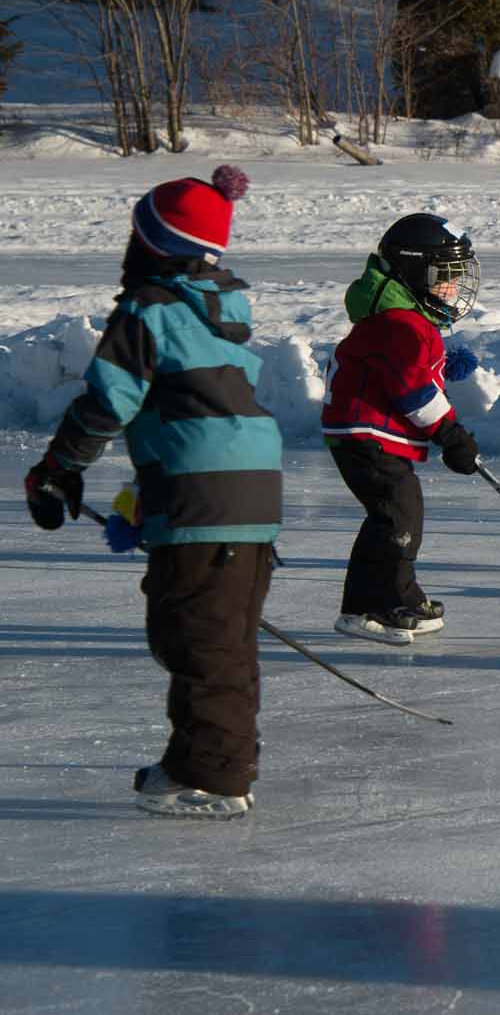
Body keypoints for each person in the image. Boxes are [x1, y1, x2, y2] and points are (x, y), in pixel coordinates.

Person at [22, 167, 282, 819]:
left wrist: (59, 468)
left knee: (199, 639)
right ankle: (219, 754)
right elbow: (183, 420)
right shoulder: (218, 314)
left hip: (207, 498)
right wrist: (140, 505)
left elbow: (111, 400)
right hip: (247, 496)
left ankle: (213, 772)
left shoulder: (149, 309)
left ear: (154, 246)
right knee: (217, 635)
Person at [320, 213, 483, 645]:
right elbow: (413, 391)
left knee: (390, 514)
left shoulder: (400, 321)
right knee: (398, 516)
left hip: (360, 434)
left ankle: (370, 604)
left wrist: (440, 363)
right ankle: (388, 601)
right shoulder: (405, 326)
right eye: (443, 277)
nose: (452, 288)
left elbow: (400, 368)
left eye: (455, 277)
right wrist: (451, 435)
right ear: (413, 271)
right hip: (367, 434)